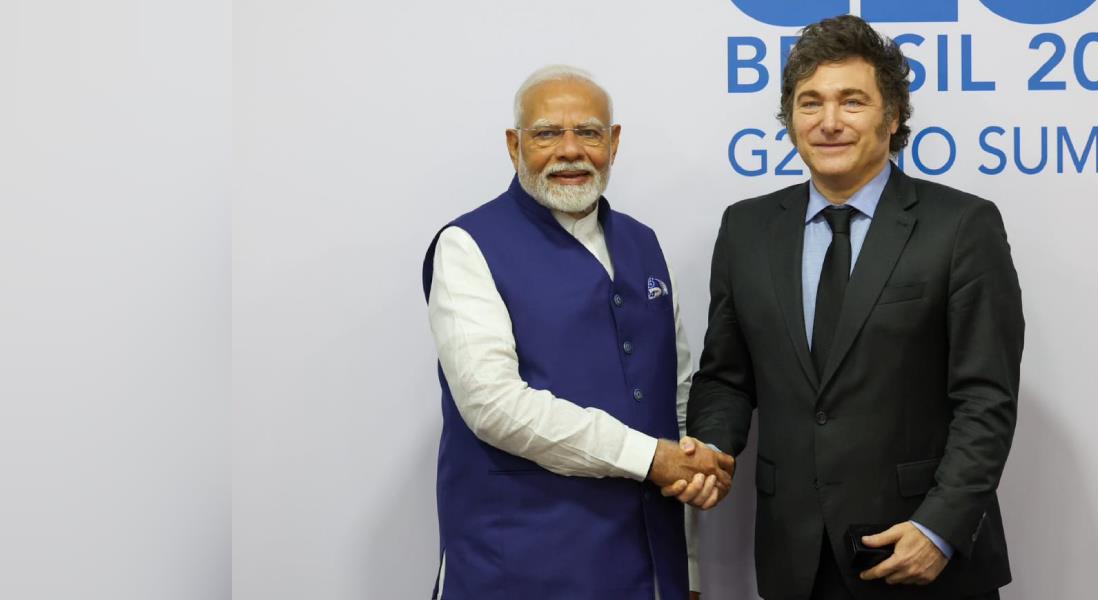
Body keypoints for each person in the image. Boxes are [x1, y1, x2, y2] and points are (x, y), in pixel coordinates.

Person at [678, 15, 1025, 600]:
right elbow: (726, 377)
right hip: (795, 559)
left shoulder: (962, 225)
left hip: (919, 555)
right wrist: (712, 448)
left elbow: (986, 398)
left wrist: (939, 528)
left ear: (891, 117)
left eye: (852, 101)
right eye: (810, 103)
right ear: (790, 120)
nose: (829, 122)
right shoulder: (747, 228)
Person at [422, 65, 733, 599]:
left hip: (647, 565)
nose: (569, 150)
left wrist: (690, 565)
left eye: (588, 132)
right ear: (513, 144)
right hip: (516, 568)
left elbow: (675, 401)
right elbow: (493, 405)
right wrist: (649, 459)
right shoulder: (467, 245)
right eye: (546, 133)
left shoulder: (645, 244)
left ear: (612, 142)